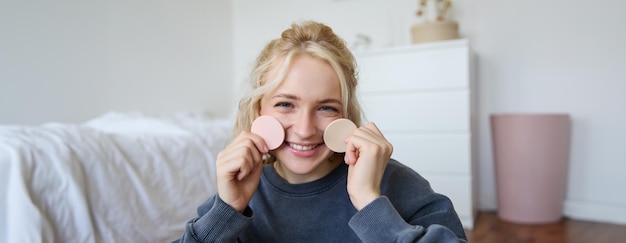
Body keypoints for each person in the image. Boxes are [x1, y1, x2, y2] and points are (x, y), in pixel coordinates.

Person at [173, 20, 467, 242]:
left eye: (326, 108)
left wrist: (369, 201)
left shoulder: (395, 183)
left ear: (346, 115)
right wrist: (226, 212)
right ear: (257, 110)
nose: (304, 130)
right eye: (286, 104)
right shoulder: (239, 195)